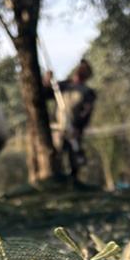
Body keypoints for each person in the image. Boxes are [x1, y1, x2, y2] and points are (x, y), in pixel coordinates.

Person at [43, 59, 97, 189]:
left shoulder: (87, 92)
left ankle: (73, 183)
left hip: (74, 130)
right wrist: (46, 81)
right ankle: (57, 183)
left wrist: (79, 127)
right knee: (56, 155)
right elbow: (44, 94)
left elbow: (87, 112)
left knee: (74, 158)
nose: (80, 72)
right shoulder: (62, 86)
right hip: (59, 129)